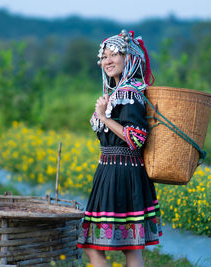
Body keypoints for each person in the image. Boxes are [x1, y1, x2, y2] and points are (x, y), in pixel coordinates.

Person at [77, 30, 162, 267]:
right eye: (104, 56)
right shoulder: (115, 94)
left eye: (114, 55)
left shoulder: (130, 94)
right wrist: (104, 115)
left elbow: (136, 138)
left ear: (130, 59)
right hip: (111, 172)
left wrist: (104, 117)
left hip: (122, 174)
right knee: (128, 248)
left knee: (95, 246)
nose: (107, 61)